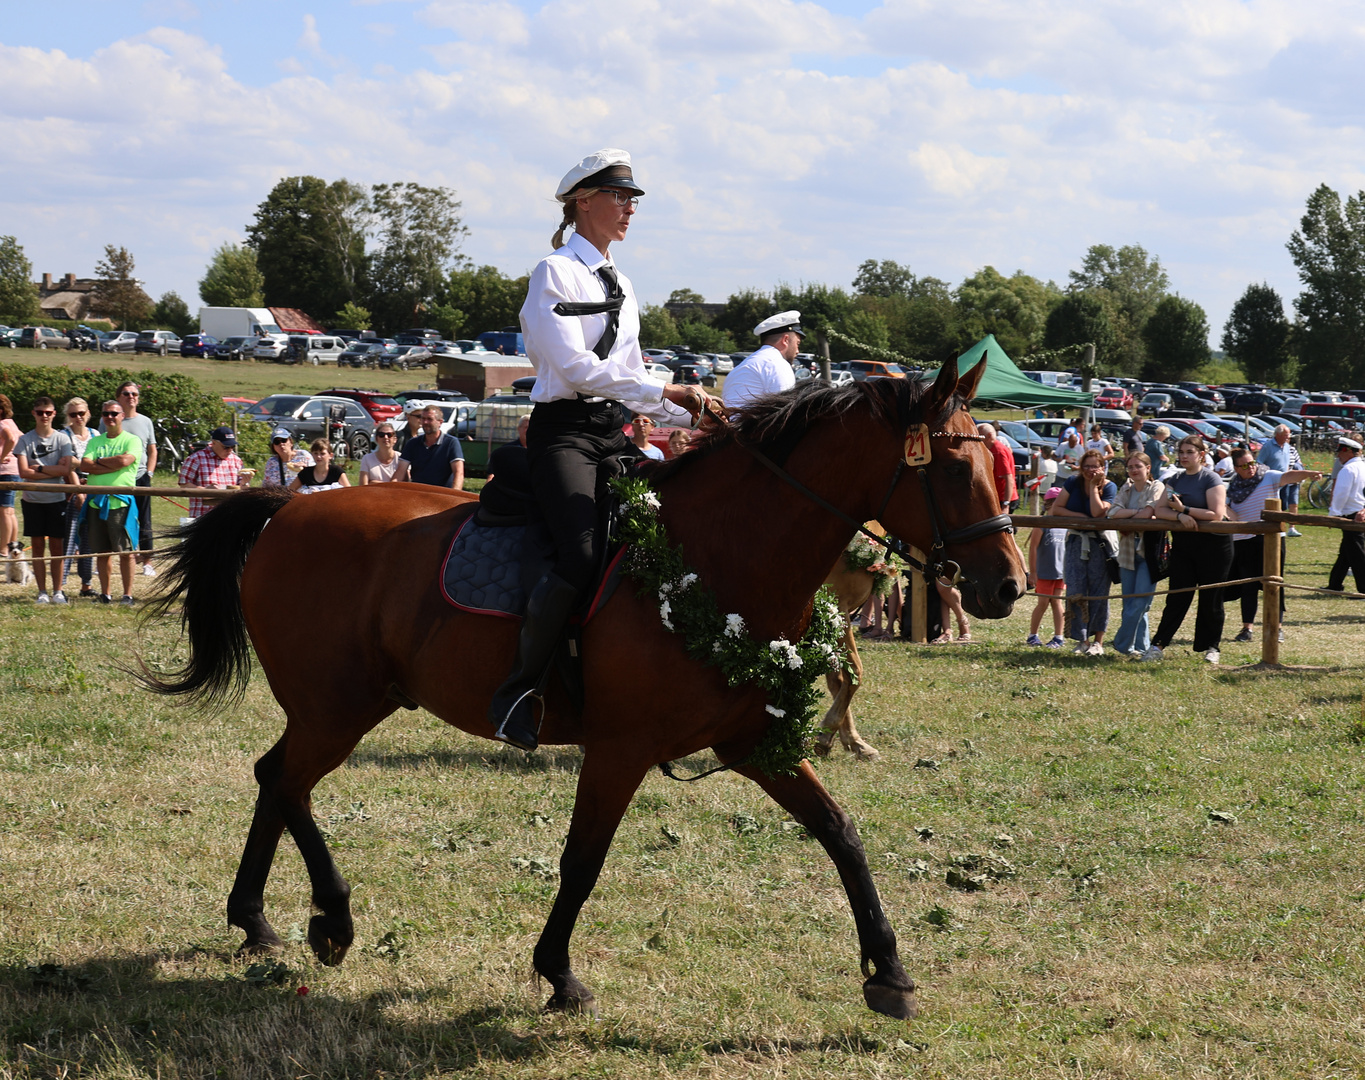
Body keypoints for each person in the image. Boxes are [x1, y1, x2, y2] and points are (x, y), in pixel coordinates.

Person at [491, 147, 704, 751]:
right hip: (564, 434)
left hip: (614, 433)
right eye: (620, 196)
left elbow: (630, 371)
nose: (630, 209)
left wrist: (687, 411)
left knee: (665, 535)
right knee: (581, 555)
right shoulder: (553, 272)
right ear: (583, 201)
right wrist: (665, 389)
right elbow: (575, 367)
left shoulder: (623, 283)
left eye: (633, 199)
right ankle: (520, 691)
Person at [1141, 435, 1229, 664]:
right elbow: (1160, 510)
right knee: (1177, 596)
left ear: (1201, 454)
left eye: (1189, 452)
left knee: (1211, 597)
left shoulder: (1211, 479)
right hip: (1184, 545)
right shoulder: (1175, 479)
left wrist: (1186, 509)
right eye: (1181, 452)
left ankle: (1212, 647)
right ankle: (1158, 645)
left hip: (1214, 546)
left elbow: (1216, 514)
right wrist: (1180, 516)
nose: (1184, 456)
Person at [1225, 447, 1319, 642]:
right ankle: (1247, 629)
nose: (1250, 468)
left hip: (1272, 538)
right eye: (1244, 466)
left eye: (1252, 463)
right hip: (1244, 540)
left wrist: (1308, 474)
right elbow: (1230, 512)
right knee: (1248, 585)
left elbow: (1288, 476)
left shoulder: (1268, 476)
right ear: (1236, 468)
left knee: (1275, 582)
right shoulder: (1233, 488)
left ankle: (1277, 627)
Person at [1050, 448, 1117, 655]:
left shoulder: (1109, 487)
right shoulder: (1072, 482)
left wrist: (1093, 487)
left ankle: (1098, 641)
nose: (1090, 470)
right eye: (1086, 466)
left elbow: (1098, 512)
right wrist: (1081, 517)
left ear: (1102, 467)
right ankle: (1082, 639)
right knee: (1076, 590)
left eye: (1094, 466)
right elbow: (1057, 509)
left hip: (1100, 544)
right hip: (1076, 541)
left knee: (1099, 592)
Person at [14, 396, 76, 602]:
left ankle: (58, 591)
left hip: (56, 500)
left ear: (54, 414)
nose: (44, 416)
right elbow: (23, 471)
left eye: (48, 412)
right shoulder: (25, 439)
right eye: (40, 412)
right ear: (34, 413)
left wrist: (39, 469)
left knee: (57, 547)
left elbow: (66, 469)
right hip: (32, 501)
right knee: (38, 546)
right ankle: (42, 592)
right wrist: (53, 471)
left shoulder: (62, 439)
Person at [81, 400, 142, 606]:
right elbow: (85, 465)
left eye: (114, 414)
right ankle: (105, 594)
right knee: (102, 552)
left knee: (126, 552)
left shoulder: (132, 440)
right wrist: (111, 464)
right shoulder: (94, 441)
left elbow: (125, 462)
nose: (110, 417)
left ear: (122, 416)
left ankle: (127, 595)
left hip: (120, 503)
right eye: (106, 414)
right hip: (96, 503)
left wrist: (98, 463)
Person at [1106, 453, 1165, 657]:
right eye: (1130, 466)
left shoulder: (1156, 486)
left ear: (1148, 468)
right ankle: (1140, 647)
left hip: (1148, 552)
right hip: (1127, 551)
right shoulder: (1126, 487)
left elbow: (1149, 514)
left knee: (1140, 602)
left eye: (1138, 466)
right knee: (1129, 603)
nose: (1133, 470)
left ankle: (1121, 643)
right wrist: (1135, 514)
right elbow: (1113, 512)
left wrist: (1128, 518)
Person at [104, 383, 157, 578]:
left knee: (145, 518)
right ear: (118, 397)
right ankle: (110, 556)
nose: (131, 396)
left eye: (134, 393)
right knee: (116, 517)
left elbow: (152, 450)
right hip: (117, 478)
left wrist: (149, 473)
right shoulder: (109, 419)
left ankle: (147, 561)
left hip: (141, 476)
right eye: (126, 393)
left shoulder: (145, 421)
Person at [721, 310, 802, 410]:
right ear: (785, 340)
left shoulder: (749, 363)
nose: (797, 351)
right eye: (797, 344)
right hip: (751, 425)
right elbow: (785, 413)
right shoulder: (777, 364)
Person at [60, 397, 96, 598]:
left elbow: (96, 463)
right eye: (73, 414)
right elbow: (67, 464)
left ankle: (86, 584)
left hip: (94, 487)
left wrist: (79, 463)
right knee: (69, 537)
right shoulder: (63, 436)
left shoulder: (96, 435)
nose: (78, 417)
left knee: (89, 539)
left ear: (88, 413)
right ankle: (61, 585)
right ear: (68, 416)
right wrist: (78, 490)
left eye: (81, 413)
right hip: (70, 490)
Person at [1025, 486, 1067, 648]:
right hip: (1044, 573)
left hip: (1060, 573)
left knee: (1057, 603)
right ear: (1050, 504)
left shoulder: (1065, 524)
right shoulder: (1042, 524)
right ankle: (1033, 635)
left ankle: (1058, 637)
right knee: (1042, 603)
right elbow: (1033, 548)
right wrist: (1033, 572)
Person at [178, 426, 251, 518]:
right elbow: (184, 485)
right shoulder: (196, 459)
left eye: (232, 446)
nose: (230, 450)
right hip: (203, 517)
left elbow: (243, 488)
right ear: (213, 443)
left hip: (230, 516)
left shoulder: (237, 461)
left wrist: (245, 483)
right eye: (226, 447)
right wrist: (205, 491)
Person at [1325, 436, 1365, 595]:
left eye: (1340, 452)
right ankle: (1334, 584)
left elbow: (1341, 495)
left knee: (1356, 554)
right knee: (1347, 552)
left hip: (1351, 515)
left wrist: (1333, 515)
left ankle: (1363, 590)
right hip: (1360, 512)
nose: (1338, 456)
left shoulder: (1348, 470)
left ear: (1348, 451)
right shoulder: (1362, 466)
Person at [395, 406, 464, 488]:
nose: (425, 422)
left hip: (442, 494)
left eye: (429, 419)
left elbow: (459, 473)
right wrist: (390, 490)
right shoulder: (413, 443)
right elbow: (400, 472)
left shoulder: (451, 443)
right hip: (418, 493)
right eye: (423, 418)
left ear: (440, 422)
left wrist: (454, 496)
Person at [1257, 424, 1304, 536]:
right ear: (1277, 435)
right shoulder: (1268, 446)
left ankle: (1281, 528)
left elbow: (1286, 463)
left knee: (1283, 505)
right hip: (1271, 482)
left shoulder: (1287, 446)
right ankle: (1273, 527)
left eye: (1288, 435)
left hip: (1284, 481)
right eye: (1285, 435)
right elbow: (1259, 462)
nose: (1288, 438)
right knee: (1272, 505)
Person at [978, 423, 1018, 512]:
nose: (978, 440)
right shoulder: (991, 449)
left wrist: (1006, 504)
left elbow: (1008, 478)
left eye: (979, 436)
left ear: (989, 436)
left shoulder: (998, 451)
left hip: (1003, 498)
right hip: (996, 497)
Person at [0, 393, 20, 558]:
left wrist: (1, 457)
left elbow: (12, 439)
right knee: (10, 511)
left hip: (4, 471)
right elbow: (20, 437)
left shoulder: (1, 424)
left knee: (4, 511)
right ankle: (12, 546)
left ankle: (3, 550)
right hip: (14, 470)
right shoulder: (10, 422)